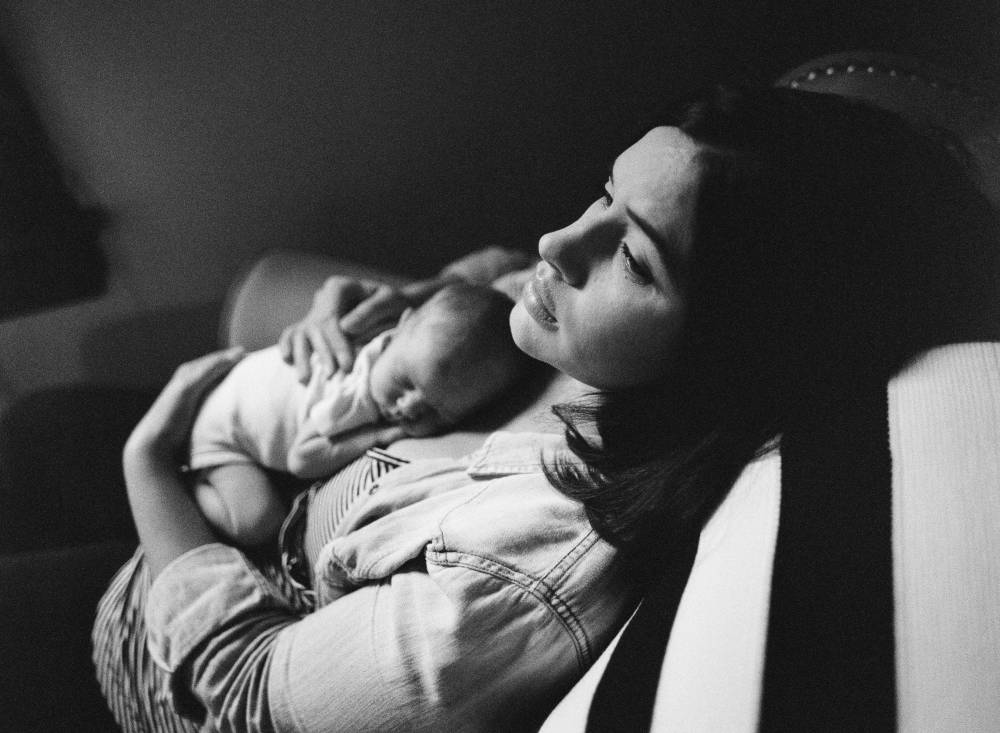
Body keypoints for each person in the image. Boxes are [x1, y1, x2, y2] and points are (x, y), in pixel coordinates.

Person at [92, 85, 1000, 732]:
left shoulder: (517, 580)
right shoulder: (565, 333)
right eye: (606, 194)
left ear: (735, 344)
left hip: (159, 646)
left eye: (635, 259)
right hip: (226, 503)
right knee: (48, 422)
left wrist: (149, 456)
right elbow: (456, 283)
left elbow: (245, 695)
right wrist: (360, 322)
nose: (557, 242)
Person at [188, 282, 529, 546]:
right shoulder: (356, 396)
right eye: (404, 382)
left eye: (435, 412)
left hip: (242, 387)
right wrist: (379, 437)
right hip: (220, 430)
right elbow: (301, 459)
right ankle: (191, 481)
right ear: (400, 323)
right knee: (258, 522)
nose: (407, 408)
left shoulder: (398, 346)